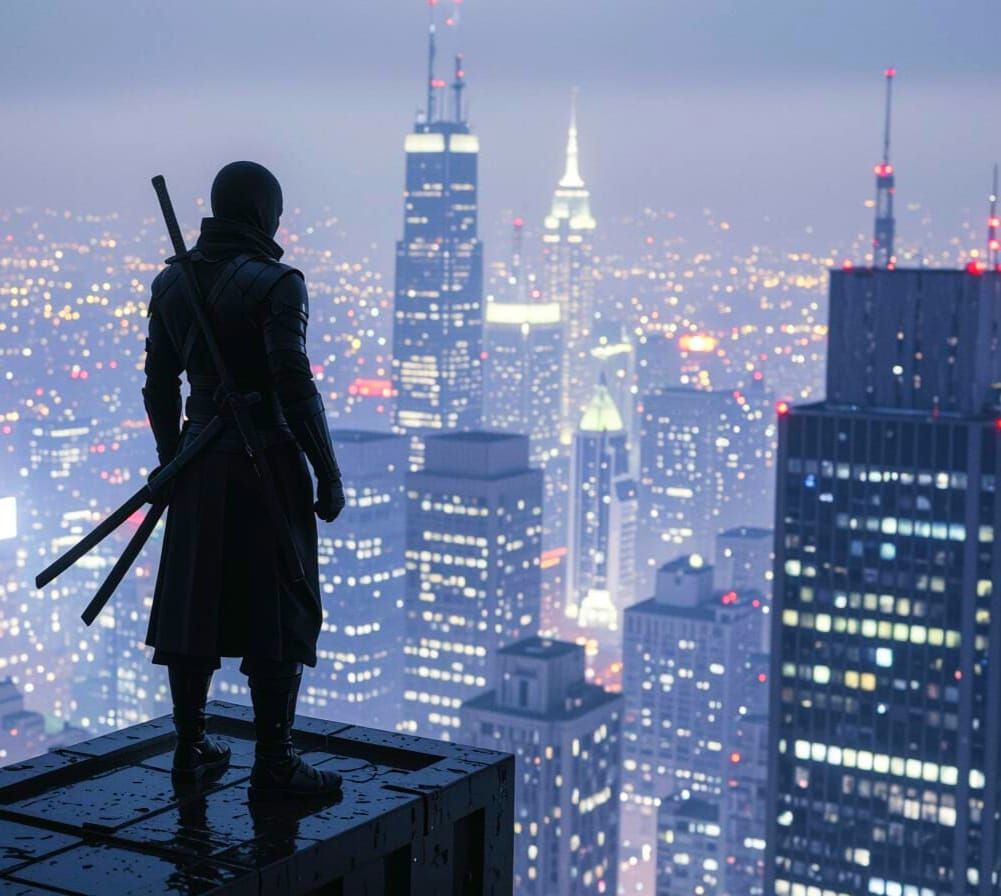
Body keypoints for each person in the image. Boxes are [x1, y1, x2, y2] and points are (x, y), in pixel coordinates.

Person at [141, 161, 345, 799]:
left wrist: (171, 456)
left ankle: (190, 746)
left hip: (198, 464)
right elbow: (293, 382)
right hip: (267, 460)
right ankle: (276, 762)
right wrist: (327, 471)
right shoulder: (280, 284)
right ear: (263, 214)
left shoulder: (173, 283)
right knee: (280, 602)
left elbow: (157, 383)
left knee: (192, 602)